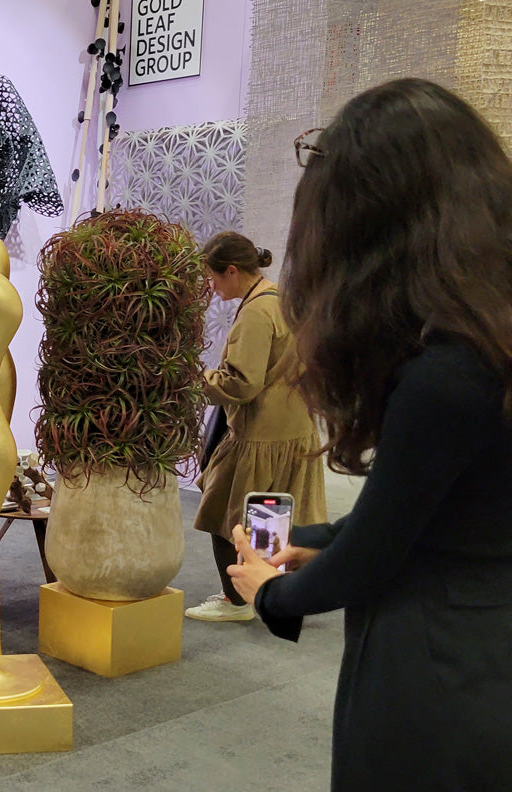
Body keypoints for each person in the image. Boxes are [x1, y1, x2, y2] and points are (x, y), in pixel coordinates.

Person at [228, 78, 512, 790]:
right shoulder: (489, 344)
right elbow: (430, 510)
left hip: (438, 676)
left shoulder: (447, 371)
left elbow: (374, 559)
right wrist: (313, 541)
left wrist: (268, 590)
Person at [185, 231, 326, 622]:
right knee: (277, 520)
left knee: (222, 514)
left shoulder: (256, 312)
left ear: (232, 271)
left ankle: (237, 601)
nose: (210, 287)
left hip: (261, 435)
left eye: (213, 277)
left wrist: (192, 379)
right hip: (293, 429)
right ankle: (274, 594)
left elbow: (241, 383)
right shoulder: (282, 298)